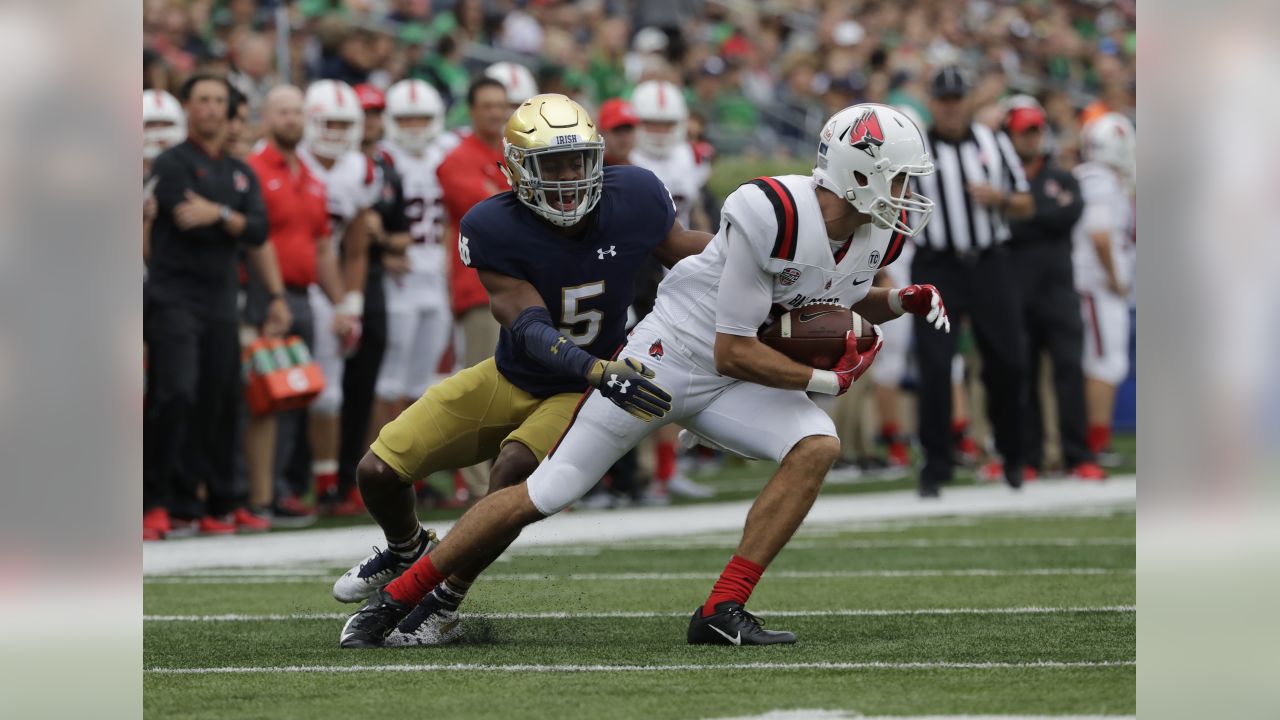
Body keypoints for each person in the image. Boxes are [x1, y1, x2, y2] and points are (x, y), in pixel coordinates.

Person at [337, 103, 950, 649]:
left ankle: (722, 607)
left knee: (818, 446)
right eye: (898, 177)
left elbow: (831, 294)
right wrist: (827, 382)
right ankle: (397, 598)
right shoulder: (770, 211)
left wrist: (899, 304)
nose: (906, 192)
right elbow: (735, 349)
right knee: (541, 492)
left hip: (723, 378)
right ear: (858, 171)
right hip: (656, 364)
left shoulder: (876, 233)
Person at [332, 94, 711, 640]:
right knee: (377, 472)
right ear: (514, 168)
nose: (567, 177)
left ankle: (442, 603)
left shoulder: (636, 196)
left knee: (512, 471)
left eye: (578, 161)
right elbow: (529, 327)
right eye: (551, 164)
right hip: (523, 373)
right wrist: (597, 369)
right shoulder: (493, 225)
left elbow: (686, 250)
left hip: (576, 392)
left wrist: (754, 261)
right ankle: (407, 549)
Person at [143, 74, 283, 540]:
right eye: (202, 99)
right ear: (187, 107)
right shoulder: (171, 162)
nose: (211, 108)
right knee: (175, 393)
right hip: (173, 297)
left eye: (219, 101)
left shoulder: (240, 171)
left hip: (223, 298)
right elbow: (186, 220)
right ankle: (157, 502)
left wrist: (220, 214)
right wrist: (232, 222)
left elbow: (260, 230)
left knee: (223, 398)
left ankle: (222, 502)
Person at [910, 66, 1034, 497]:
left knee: (1010, 362)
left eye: (956, 98)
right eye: (943, 99)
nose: (950, 107)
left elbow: (1025, 203)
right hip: (936, 264)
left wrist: (999, 198)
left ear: (967, 101)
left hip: (989, 263)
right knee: (936, 365)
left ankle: (1014, 454)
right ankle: (936, 463)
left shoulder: (993, 140)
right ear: (933, 103)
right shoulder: (914, 146)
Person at [275, 79, 372, 520]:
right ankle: (287, 482)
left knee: (328, 394)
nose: (334, 131)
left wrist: (349, 302)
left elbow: (354, 246)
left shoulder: (360, 170)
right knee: (285, 387)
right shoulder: (288, 163)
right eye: (326, 122)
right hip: (291, 284)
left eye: (342, 123)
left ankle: (326, 483)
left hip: (329, 286)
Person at [1004, 98, 1104, 480]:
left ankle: (1078, 455)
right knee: (1024, 376)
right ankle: (1030, 457)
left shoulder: (1062, 177)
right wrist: (1039, 212)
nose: (1032, 138)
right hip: (1018, 292)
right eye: (1024, 131)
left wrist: (1022, 211)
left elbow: (1068, 214)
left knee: (1069, 372)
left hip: (1059, 291)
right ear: (1010, 135)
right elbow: (1004, 226)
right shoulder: (1005, 179)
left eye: (1036, 130)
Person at [628, 79, 717, 501]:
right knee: (642, 371)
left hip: (683, 274)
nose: (660, 132)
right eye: (651, 123)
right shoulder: (628, 158)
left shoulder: (692, 157)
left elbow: (696, 211)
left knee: (678, 374)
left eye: (667, 124)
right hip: (641, 274)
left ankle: (666, 468)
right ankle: (642, 472)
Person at [330, 83, 413, 514]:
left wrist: (386, 239)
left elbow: (402, 234)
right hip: (325, 276)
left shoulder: (385, 168)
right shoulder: (330, 162)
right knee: (326, 387)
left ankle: (348, 478)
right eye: (365, 113)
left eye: (377, 113)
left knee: (364, 382)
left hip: (372, 277)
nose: (372, 121)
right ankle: (321, 476)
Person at [437, 77, 514, 500]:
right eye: (486, 105)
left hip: (516, 286)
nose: (494, 112)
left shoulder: (503, 154)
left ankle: (506, 481)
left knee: (515, 387)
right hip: (478, 285)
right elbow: (496, 211)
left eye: (500, 105)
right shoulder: (458, 159)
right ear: (471, 109)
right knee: (483, 386)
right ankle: (479, 484)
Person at [372, 79, 456, 457]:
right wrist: (382, 251)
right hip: (398, 277)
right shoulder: (382, 158)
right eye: (406, 120)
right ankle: (378, 458)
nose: (415, 128)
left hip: (438, 274)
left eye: (422, 119)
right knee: (388, 379)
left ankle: (412, 461)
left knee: (424, 381)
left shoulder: (447, 152)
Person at [1071, 113, 1136, 467]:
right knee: (1103, 363)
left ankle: (1097, 439)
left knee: (1108, 362)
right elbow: (1099, 234)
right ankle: (1096, 442)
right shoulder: (1099, 178)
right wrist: (1113, 277)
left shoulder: (1100, 177)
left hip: (1097, 285)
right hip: (1096, 286)